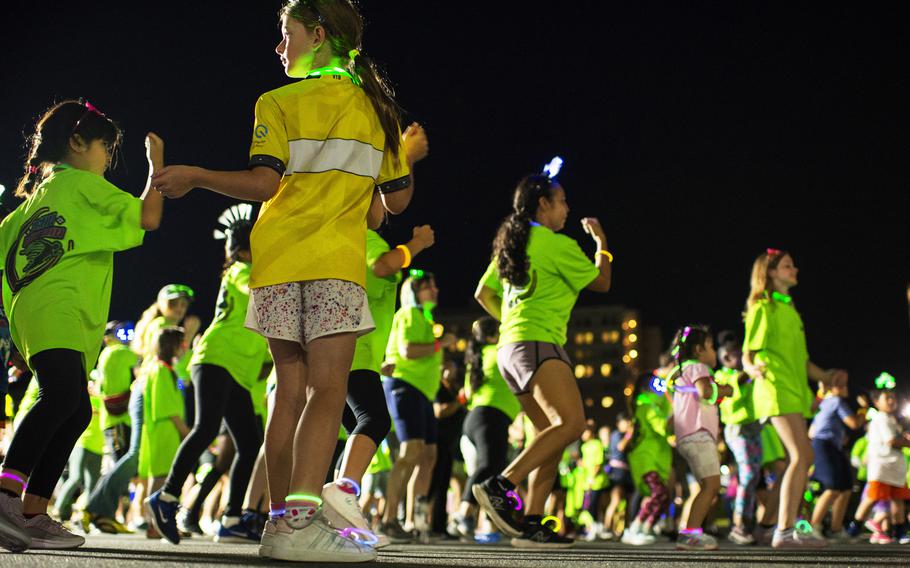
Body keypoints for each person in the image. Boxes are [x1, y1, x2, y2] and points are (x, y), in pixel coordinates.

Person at [152, 0, 417, 561]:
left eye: (285, 35)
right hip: (332, 264)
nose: (279, 47)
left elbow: (263, 185)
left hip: (275, 262)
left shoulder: (275, 101)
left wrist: (198, 176)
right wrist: (399, 157)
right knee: (328, 391)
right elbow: (394, 201)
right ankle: (298, 523)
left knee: (289, 393)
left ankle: (277, 522)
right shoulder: (378, 110)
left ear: (318, 35)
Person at [0, 100, 164, 551]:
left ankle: (32, 513)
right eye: (105, 148)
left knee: (76, 407)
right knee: (61, 397)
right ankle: (6, 495)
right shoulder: (83, 184)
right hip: (60, 306)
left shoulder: (36, 197)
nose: (108, 160)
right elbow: (148, 217)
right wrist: (157, 169)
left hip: (34, 314)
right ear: (76, 143)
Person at [473, 166, 612, 548]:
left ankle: (531, 523)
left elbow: (482, 295)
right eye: (562, 201)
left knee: (549, 436)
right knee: (572, 423)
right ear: (543, 204)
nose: (567, 208)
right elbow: (602, 281)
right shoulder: (555, 243)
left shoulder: (513, 245)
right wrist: (602, 243)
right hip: (538, 345)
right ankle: (501, 485)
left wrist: (512, 321)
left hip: (510, 349)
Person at [147, 204, 270, 545]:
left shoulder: (247, 271)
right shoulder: (240, 271)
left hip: (237, 371)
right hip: (215, 359)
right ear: (246, 249)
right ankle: (167, 497)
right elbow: (254, 288)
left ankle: (231, 518)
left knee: (249, 443)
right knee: (206, 428)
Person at [742, 249, 846, 548]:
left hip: (794, 390)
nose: (795, 269)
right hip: (774, 388)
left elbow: (802, 362)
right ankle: (784, 531)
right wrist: (751, 367)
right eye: (788, 266)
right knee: (802, 456)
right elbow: (749, 353)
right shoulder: (764, 307)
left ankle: (789, 528)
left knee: (801, 458)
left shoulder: (789, 310)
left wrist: (826, 376)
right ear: (771, 272)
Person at [381, 272, 454, 541]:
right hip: (405, 387)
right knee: (411, 452)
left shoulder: (424, 317)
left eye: (434, 285)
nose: (434, 290)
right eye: (427, 287)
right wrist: (441, 344)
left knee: (429, 456)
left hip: (423, 392)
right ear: (414, 293)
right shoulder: (410, 313)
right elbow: (409, 350)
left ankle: (416, 522)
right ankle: (389, 519)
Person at [450, 317, 521, 541]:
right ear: (494, 335)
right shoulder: (499, 352)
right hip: (490, 417)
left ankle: (473, 519)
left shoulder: (477, 358)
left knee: (491, 469)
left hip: (477, 418)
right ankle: (462, 515)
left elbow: (468, 394)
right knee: (488, 466)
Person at [666, 326, 733, 551]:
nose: (714, 352)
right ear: (698, 350)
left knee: (705, 486)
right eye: (711, 347)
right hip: (699, 434)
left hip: (687, 436)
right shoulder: (698, 367)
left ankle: (691, 532)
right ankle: (690, 533)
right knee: (712, 486)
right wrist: (726, 389)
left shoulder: (682, 371)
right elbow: (706, 392)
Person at [138, 328, 190, 538]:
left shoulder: (169, 369)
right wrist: (186, 432)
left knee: (162, 476)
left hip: (166, 431)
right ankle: (154, 525)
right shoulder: (159, 370)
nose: (184, 348)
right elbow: (166, 408)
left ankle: (158, 524)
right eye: (181, 343)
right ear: (171, 345)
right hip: (163, 430)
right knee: (160, 478)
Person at [714, 331, 761, 545]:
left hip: (754, 427)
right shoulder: (722, 375)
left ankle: (747, 523)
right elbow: (738, 383)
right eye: (736, 354)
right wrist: (751, 364)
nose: (741, 357)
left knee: (753, 476)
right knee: (748, 474)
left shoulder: (746, 373)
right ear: (725, 357)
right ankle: (738, 524)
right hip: (736, 429)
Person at [847, 389, 910, 544]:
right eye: (887, 398)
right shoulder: (881, 418)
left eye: (893, 397)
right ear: (877, 402)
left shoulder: (891, 419)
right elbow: (891, 441)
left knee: (898, 499)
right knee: (872, 498)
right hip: (882, 467)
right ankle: (853, 528)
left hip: (894, 468)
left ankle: (899, 532)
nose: (891, 401)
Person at [808, 382, 864, 542]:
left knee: (846, 487)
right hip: (824, 445)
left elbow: (811, 431)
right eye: (840, 385)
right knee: (832, 487)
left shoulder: (825, 403)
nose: (845, 387)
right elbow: (854, 423)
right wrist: (864, 409)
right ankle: (814, 527)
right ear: (831, 388)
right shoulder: (835, 401)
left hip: (831, 446)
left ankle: (836, 529)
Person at [623, 373, 673, 545]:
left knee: (660, 494)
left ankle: (646, 527)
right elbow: (663, 426)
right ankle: (636, 527)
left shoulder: (650, 404)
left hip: (652, 457)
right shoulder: (647, 405)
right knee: (659, 493)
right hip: (646, 458)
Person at [603, 414, 634, 540]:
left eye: (628, 421)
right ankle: (606, 528)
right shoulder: (616, 435)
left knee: (628, 502)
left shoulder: (626, 435)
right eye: (624, 422)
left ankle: (626, 529)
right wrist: (629, 434)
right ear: (618, 423)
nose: (627, 424)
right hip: (617, 471)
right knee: (615, 500)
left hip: (627, 471)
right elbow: (621, 446)